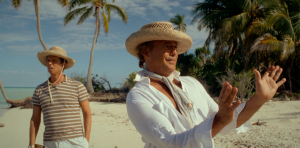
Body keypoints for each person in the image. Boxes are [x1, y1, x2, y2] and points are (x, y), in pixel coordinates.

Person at [125, 21, 286, 148]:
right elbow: (172, 143)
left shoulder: (191, 84)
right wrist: (219, 121)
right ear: (146, 52)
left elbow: (228, 122)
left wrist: (259, 98)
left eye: (175, 47)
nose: (174, 52)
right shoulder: (139, 95)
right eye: (167, 46)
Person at [29, 46, 91, 148]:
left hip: (75, 142)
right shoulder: (39, 90)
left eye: (53, 60)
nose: (49, 63)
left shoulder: (77, 86)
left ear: (63, 64)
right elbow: (35, 119)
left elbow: (87, 113)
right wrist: (31, 145)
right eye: (48, 60)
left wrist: (86, 141)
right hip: (50, 142)